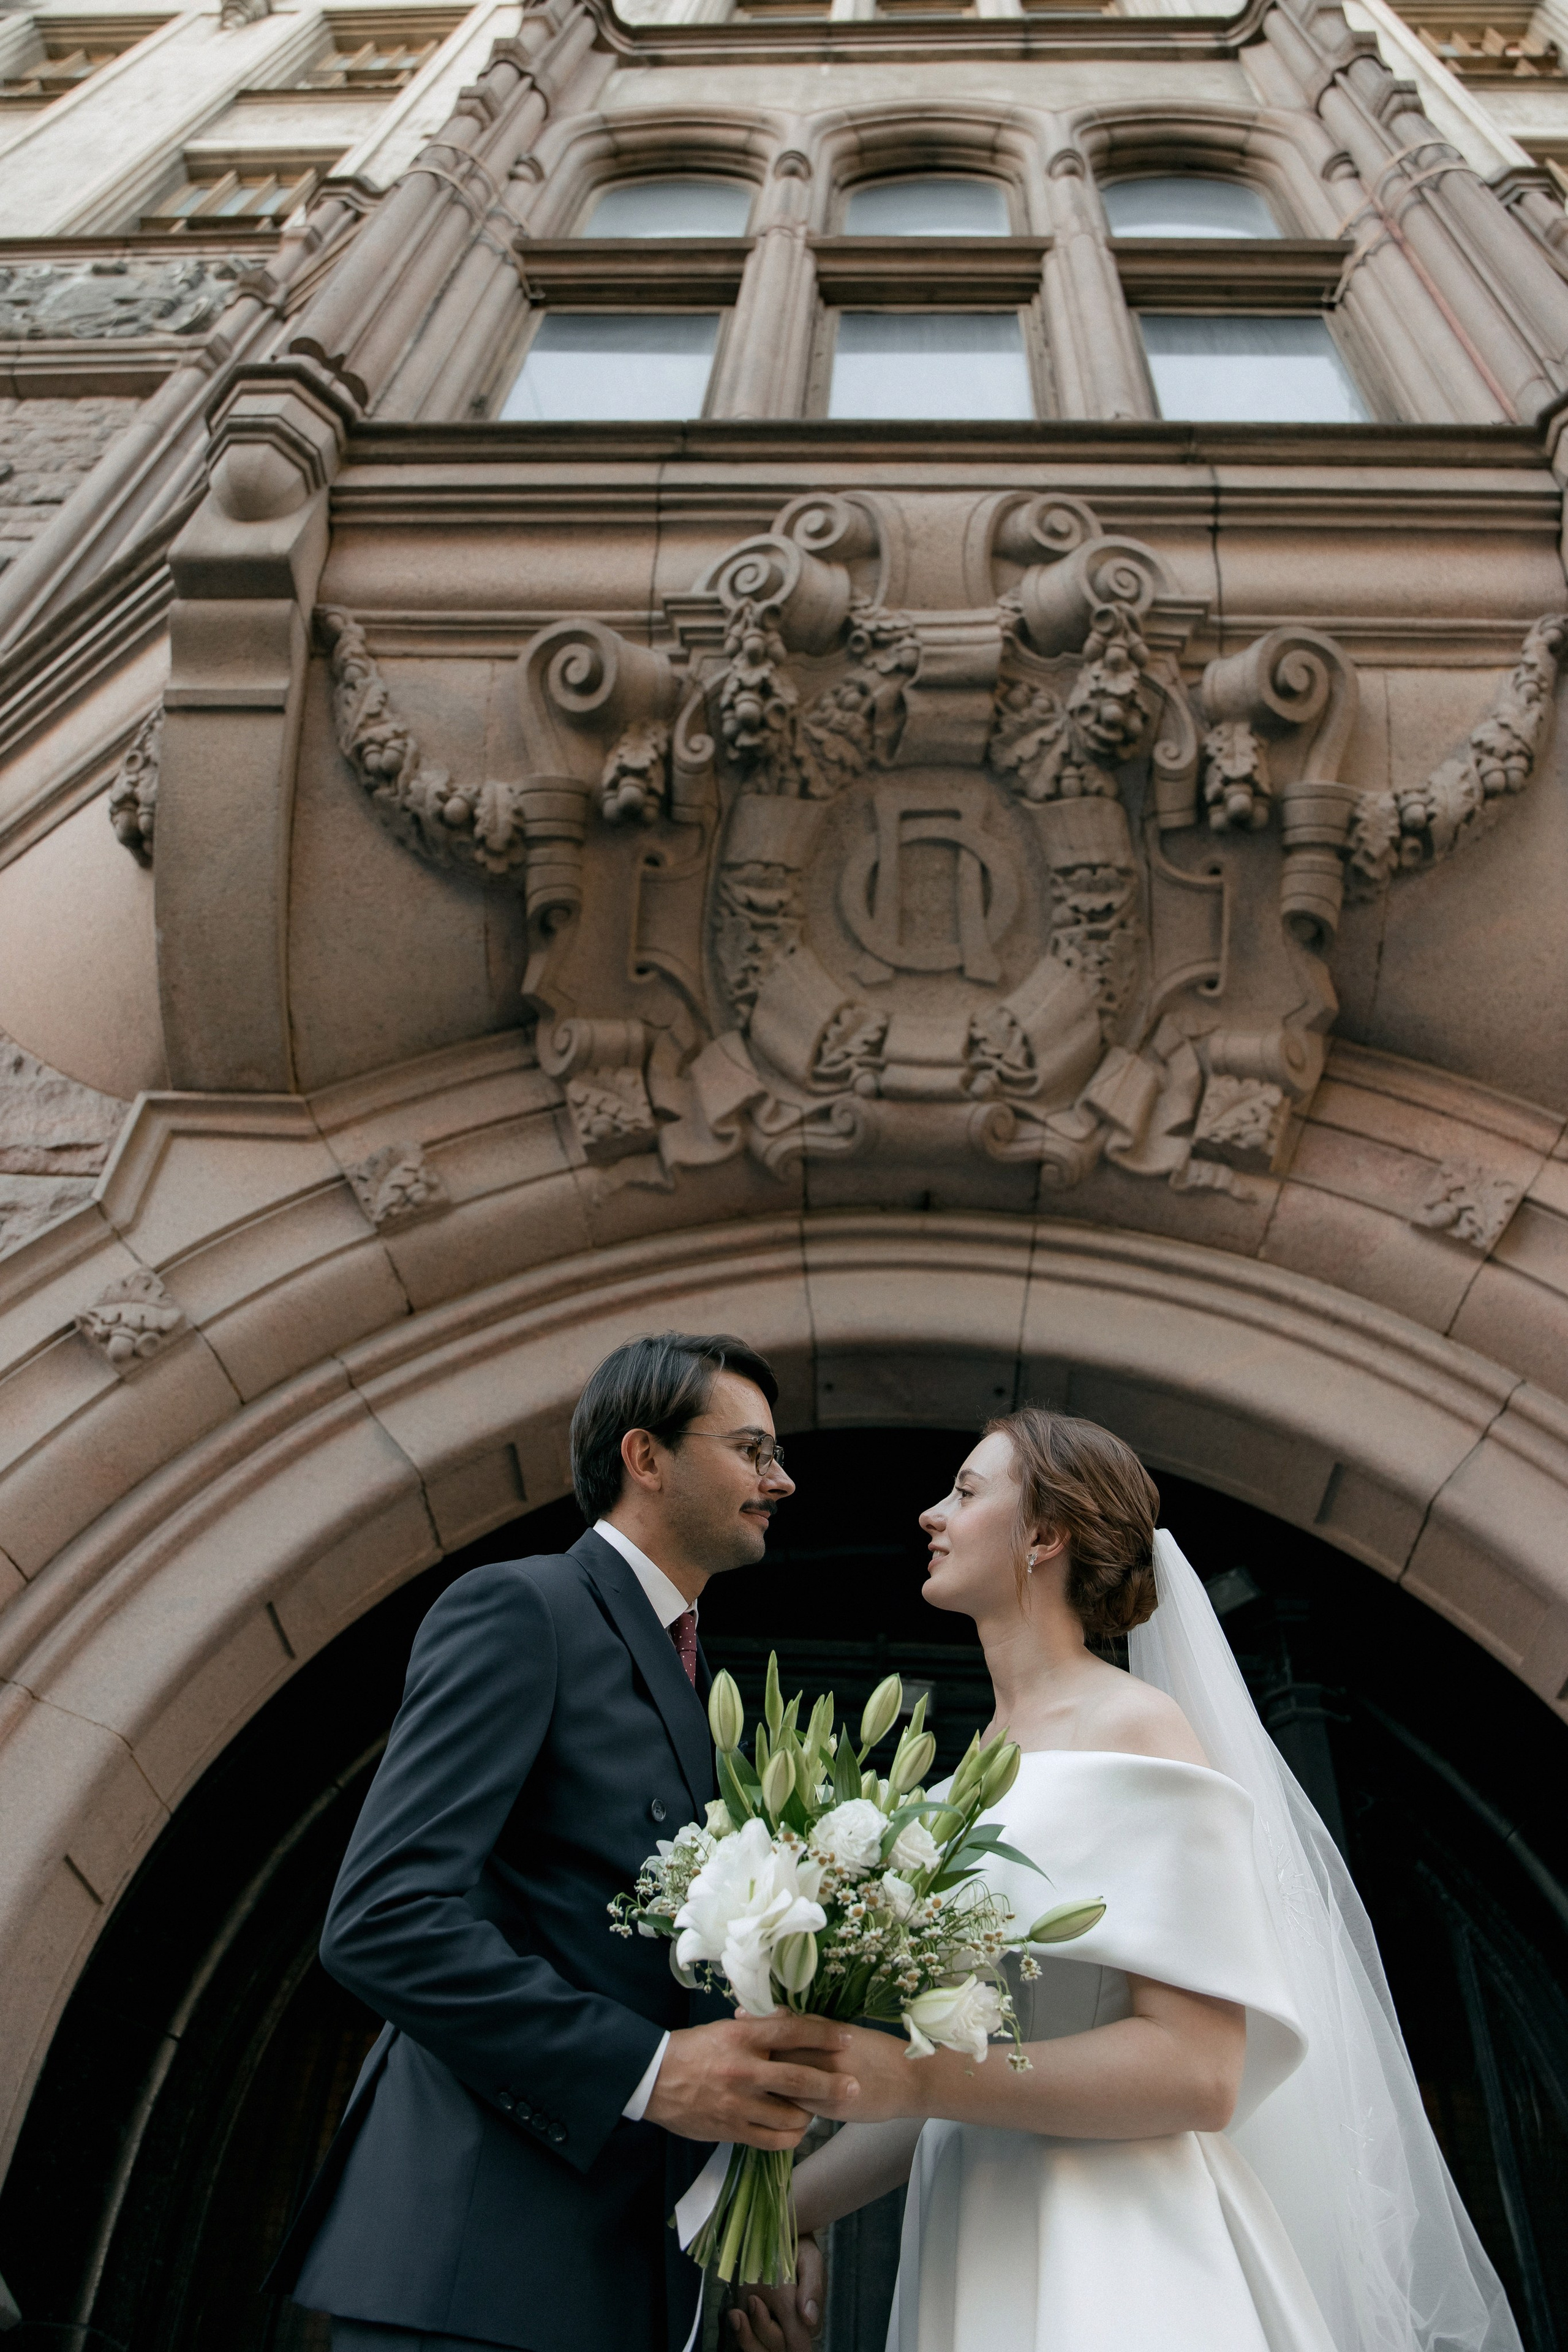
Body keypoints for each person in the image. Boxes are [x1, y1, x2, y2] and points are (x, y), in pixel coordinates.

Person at [732, 1408, 1522, 2352]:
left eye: (967, 1492)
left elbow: (1198, 2072)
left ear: (1045, 1536)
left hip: (1115, 2245)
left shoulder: (1137, 1731)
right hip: (974, 2230)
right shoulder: (951, 1783)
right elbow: (948, 2089)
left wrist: (910, 2071)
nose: (930, 1515)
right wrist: (786, 2217)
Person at [268, 1330, 861, 2352]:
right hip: (481, 2264)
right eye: (753, 1451)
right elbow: (381, 1921)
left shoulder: (695, 1672)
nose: (783, 1479)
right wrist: (648, 2071)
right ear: (646, 1457)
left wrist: (760, 2211)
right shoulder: (523, 1609)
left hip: (616, 2276)